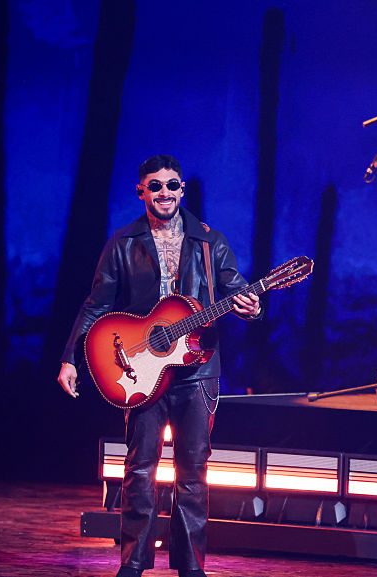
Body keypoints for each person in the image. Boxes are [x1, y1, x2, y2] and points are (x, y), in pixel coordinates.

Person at [57, 154, 261, 577]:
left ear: (182, 189)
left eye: (172, 185)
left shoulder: (210, 241)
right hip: (142, 369)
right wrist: (70, 357)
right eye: (155, 186)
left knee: (193, 473)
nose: (164, 193)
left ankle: (191, 567)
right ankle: (132, 563)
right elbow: (96, 305)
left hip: (197, 370)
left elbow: (236, 289)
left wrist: (250, 306)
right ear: (141, 191)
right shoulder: (124, 243)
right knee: (140, 469)